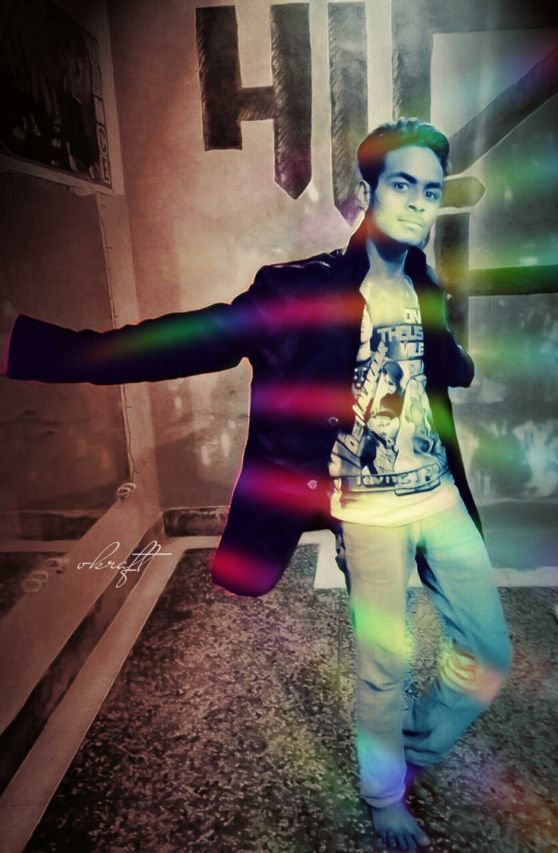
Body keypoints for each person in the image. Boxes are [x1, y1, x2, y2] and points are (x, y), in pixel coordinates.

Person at [1, 118, 512, 850]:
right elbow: (183, 340)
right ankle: (384, 792)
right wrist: (31, 348)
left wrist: (454, 355)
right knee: (384, 668)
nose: (418, 204)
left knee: (487, 657)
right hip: (367, 509)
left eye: (431, 192)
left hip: (438, 496)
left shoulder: (423, 282)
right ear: (367, 190)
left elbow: (444, 366)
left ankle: (412, 750)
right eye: (402, 185)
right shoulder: (299, 290)